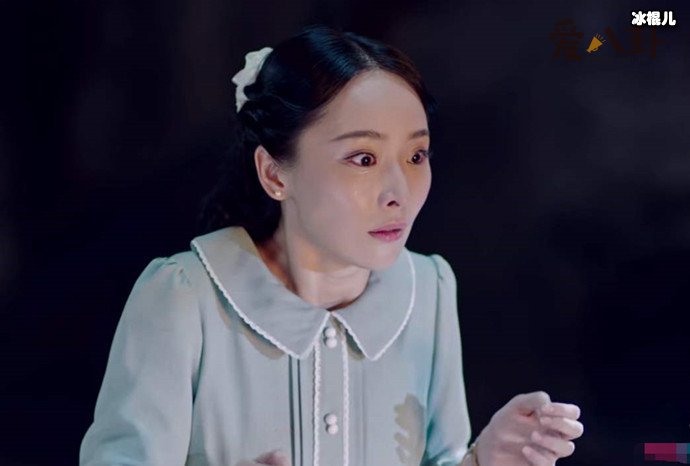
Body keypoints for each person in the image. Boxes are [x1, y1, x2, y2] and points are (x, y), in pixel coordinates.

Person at [79, 24, 583, 466]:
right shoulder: (184, 298)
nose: (399, 192)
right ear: (275, 173)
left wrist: (481, 461)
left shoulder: (428, 289)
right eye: (363, 159)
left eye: (416, 155)